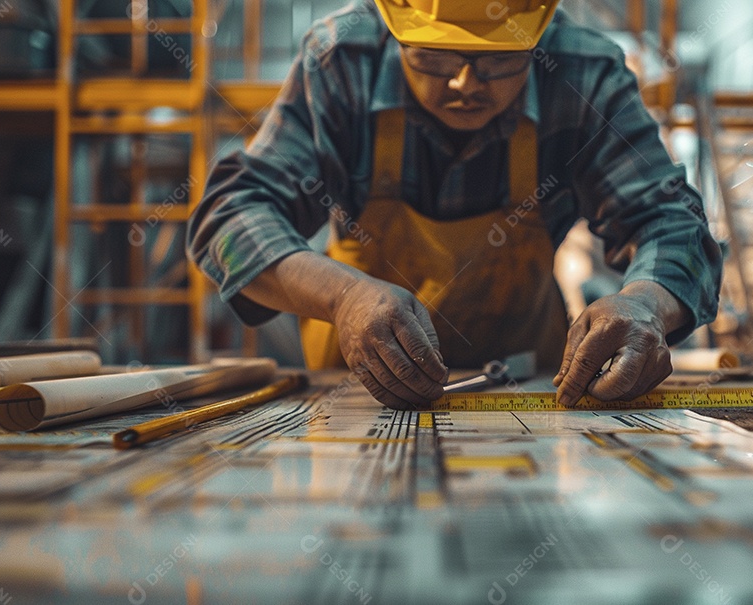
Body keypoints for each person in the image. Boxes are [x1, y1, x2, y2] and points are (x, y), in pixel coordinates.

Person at [188, 0, 723, 410]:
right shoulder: (341, 62)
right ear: (395, 29)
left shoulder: (582, 74)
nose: (466, 84)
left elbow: (669, 220)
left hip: (529, 390)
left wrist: (645, 306)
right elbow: (231, 215)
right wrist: (343, 298)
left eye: (497, 60)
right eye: (435, 55)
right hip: (354, 398)